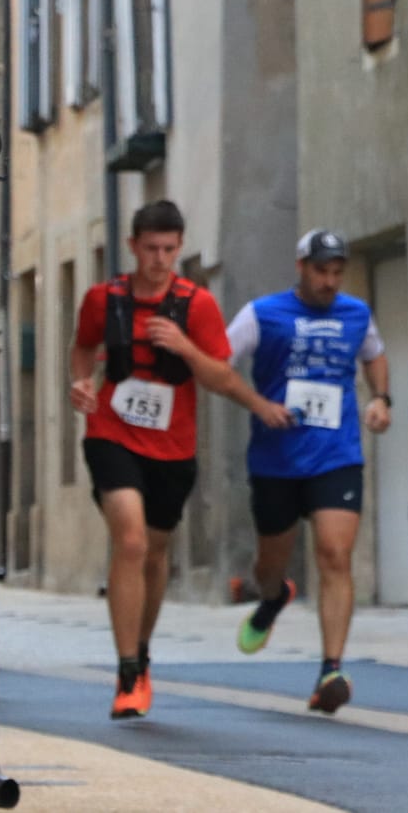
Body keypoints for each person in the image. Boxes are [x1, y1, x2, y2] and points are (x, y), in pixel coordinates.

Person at [69, 199, 295, 720]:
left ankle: (142, 653)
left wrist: (184, 347)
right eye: (151, 248)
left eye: (169, 249)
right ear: (133, 246)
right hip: (111, 434)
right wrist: (81, 383)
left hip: (173, 449)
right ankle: (127, 671)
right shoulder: (103, 300)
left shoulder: (197, 305)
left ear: (180, 247)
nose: (160, 259)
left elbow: (220, 376)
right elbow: (82, 348)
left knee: (154, 554)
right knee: (130, 540)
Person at [226, 229, 391, 716]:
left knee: (335, 556)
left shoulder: (356, 314)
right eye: (321, 271)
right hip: (275, 460)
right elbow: (218, 363)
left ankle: (330, 670)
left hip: (336, 455)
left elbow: (374, 354)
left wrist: (381, 399)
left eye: (337, 272)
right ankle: (274, 597)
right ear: (300, 268)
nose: (329, 281)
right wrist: (259, 405)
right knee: (269, 566)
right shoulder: (261, 314)